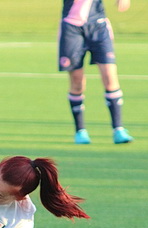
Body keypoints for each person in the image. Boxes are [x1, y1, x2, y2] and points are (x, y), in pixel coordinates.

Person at [58, 0, 134, 144]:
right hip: (72, 27)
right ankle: (80, 131)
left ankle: (118, 129)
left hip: (98, 26)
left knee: (110, 77)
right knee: (77, 82)